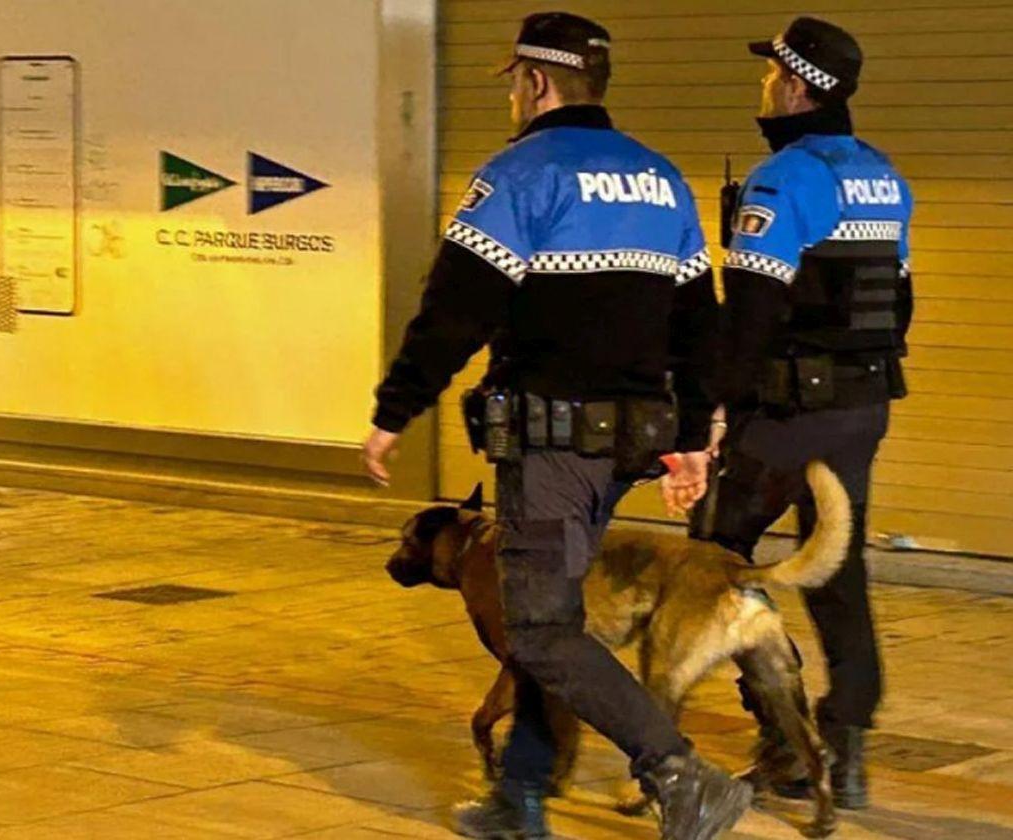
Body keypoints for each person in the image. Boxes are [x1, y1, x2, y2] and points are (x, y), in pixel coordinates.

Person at [362, 12, 750, 839]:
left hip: (551, 445)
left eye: (513, 81)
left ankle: (679, 773)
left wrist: (397, 410)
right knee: (553, 618)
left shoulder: (518, 177)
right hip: (625, 446)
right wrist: (692, 436)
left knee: (537, 632)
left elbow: (454, 309)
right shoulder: (661, 180)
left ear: (535, 82)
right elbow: (696, 324)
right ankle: (521, 795)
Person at [689, 16, 914, 810]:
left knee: (717, 565)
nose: (763, 89)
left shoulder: (780, 179)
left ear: (796, 86)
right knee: (836, 566)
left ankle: (787, 746)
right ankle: (847, 751)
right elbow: (902, 301)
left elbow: (749, 314)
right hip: (862, 408)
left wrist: (711, 413)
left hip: (786, 413)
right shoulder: (885, 177)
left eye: (769, 76)